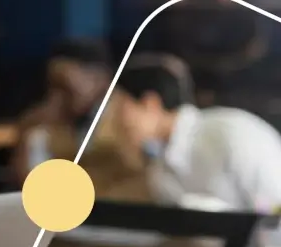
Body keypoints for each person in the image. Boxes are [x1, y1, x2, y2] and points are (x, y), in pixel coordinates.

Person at [112, 55, 281, 213]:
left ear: (150, 104)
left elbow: (274, 208)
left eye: (120, 108)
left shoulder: (231, 133)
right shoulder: (159, 170)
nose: (116, 121)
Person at [13, 39, 112, 179]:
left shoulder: (126, 119)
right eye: (53, 87)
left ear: (99, 79)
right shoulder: (38, 129)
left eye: (66, 89)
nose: (57, 99)